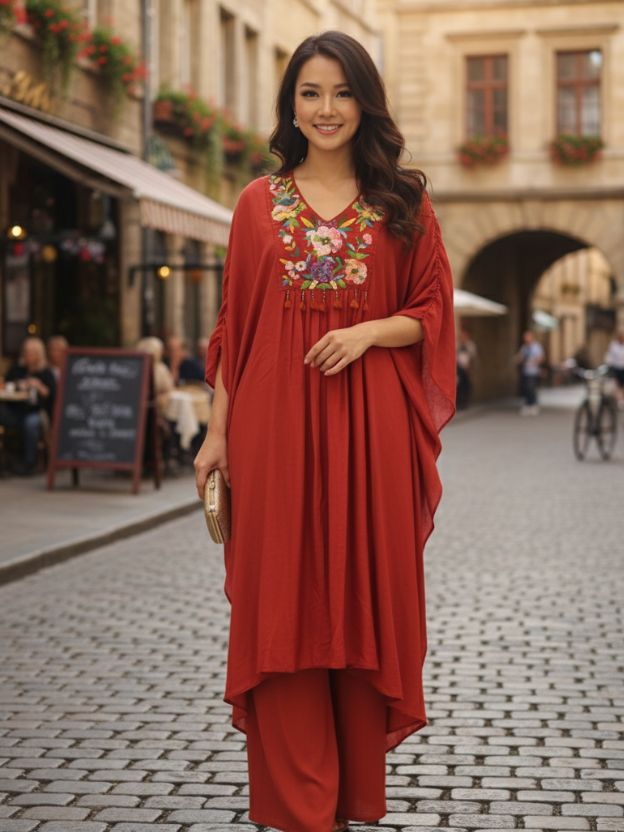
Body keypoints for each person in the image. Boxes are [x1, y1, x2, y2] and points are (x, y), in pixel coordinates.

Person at [193, 30, 456, 832]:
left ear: (365, 102)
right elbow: (236, 330)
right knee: (283, 600)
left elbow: (432, 313)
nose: (327, 108)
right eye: (311, 93)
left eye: (342, 92)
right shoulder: (255, 204)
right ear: (291, 105)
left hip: (372, 435)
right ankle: (300, 807)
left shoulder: (402, 203)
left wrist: (369, 331)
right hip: (274, 431)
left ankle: (347, 798)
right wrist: (216, 435)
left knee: (359, 597)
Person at [0, 336, 56, 475]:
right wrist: (19, 384)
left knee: (31, 423)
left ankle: (29, 463)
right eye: (26, 352)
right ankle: (5, 460)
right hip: (15, 409)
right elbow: (6, 385)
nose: (28, 355)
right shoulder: (17, 369)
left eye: (31, 353)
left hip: (35, 412)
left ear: (38, 354)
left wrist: (39, 386)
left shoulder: (46, 372)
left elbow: (52, 396)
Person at [515, 329, 545, 415]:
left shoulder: (536, 347)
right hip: (525, 371)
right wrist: (518, 359)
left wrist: (535, 361)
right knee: (526, 388)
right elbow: (520, 356)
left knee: (531, 388)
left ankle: (533, 405)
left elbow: (541, 358)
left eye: (527, 337)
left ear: (531, 337)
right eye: (525, 337)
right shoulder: (524, 347)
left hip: (533, 371)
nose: (526, 339)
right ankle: (528, 404)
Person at [456, 326, 477, 409]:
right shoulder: (458, 345)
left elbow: (473, 356)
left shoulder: (470, 345)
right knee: (459, 385)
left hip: (467, 369)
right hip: (459, 368)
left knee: (467, 385)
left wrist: (470, 367)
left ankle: (465, 402)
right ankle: (459, 402)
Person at [605, 330, 624, 405]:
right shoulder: (613, 345)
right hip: (616, 367)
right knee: (617, 384)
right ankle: (619, 399)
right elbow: (610, 355)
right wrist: (608, 363)